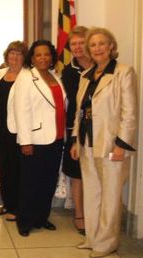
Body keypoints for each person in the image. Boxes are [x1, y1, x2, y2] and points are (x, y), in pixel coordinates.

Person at [70, 27, 136, 258]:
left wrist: (122, 144)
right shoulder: (85, 76)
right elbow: (80, 111)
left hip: (111, 145)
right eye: (93, 45)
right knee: (93, 192)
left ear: (111, 47)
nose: (97, 48)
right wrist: (76, 141)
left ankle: (107, 243)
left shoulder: (123, 73)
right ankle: (93, 238)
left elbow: (130, 113)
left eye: (102, 43)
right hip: (87, 143)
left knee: (109, 195)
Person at [12, 40, 66, 237]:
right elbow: (21, 110)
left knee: (48, 181)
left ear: (52, 56)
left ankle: (41, 217)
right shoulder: (26, 77)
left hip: (57, 137)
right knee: (30, 182)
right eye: (38, 55)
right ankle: (25, 221)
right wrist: (25, 140)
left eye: (46, 54)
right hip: (34, 140)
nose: (43, 58)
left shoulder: (54, 75)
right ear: (32, 58)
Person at [0, 41, 28, 221]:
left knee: (19, 169)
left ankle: (19, 207)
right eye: (12, 53)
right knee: (5, 169)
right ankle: (8, 203)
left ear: (24, 57)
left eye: (19, 53)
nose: (14, 57)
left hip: (21, 132)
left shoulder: (29, 76)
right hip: (1, 130)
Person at [61, 26, 93, 235]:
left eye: (82, 42)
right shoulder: (68, 71)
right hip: (75, 130)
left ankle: (95, 214)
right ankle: (79, 214)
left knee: (96, 174)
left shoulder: (101, 66)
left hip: (99, 130)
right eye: (74, 44)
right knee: (77, 175)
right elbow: (73, 103)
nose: (78, 47)